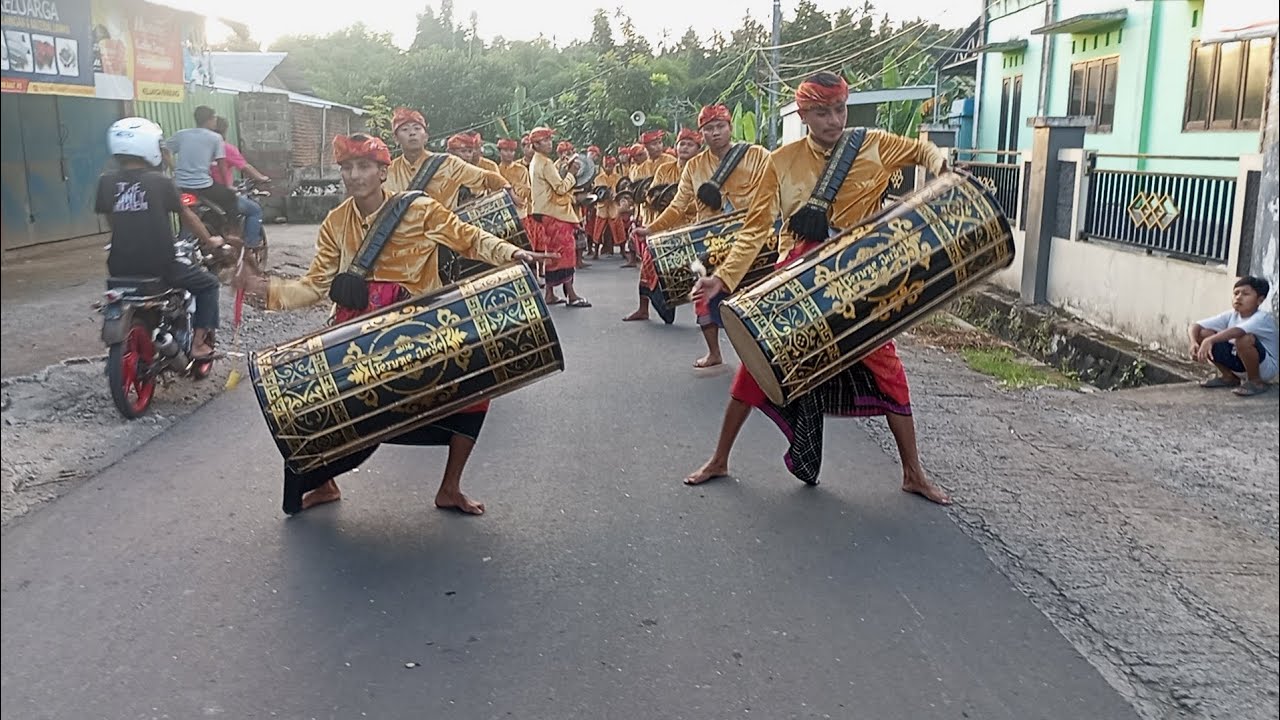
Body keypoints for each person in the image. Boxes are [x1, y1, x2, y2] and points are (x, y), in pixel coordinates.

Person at [232, 133, 554, 515]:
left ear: (384, 172)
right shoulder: (336, 222)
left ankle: (449, 488)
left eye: (364, 166)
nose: (354, 175)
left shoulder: (420, 210)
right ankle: (325, 483)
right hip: (356, 333)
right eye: (347, 168)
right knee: (326, 411)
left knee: (475, 393)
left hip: (419, 328)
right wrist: (264, 292)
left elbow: (469, 239)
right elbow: (314, 287)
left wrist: (513, 251)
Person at [683, 71, 952, 506]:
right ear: (804, 114)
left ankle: (913, 473)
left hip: (860, 273)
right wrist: (725, 278)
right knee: (758, 361)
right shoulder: (782, 160)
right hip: (798, 275)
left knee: (888, 367)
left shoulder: (875, 145)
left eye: (840, 109)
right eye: (822, 112)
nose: (834, 120)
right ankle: (719, 459)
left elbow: (924, 150)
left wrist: (943, 169)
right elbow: (755, 229)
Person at [633, 104, 772, 367]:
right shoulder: (695, 166)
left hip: (752, 241)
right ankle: (714, 352)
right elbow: (678, 205)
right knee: (702, 297)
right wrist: (651, 229)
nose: (716, 133)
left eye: (720, 127)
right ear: (703, 133)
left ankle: (760, 358)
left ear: (730, 128)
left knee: (756, 298)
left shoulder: (758, 156)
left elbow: (774, 194)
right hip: (709, 242)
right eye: (709, 129)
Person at [98, 117, 224, 359]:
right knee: (208, 284)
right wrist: (211, 241)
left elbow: (112, 219)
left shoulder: (106, 182)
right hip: (161, 264)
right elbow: (187, 216)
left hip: (119, 267)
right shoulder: (160, 182)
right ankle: (198, 344)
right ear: (148, 146)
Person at [622, 127, 702, 325]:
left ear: (698, 149)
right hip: (661, 226)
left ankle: (705, 316)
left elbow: (701, 202)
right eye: (681, 143)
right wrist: (658, 200)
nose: (684, 147)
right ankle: (643, 309)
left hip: (690, 229)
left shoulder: (702, 169)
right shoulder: (664, 169)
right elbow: (650, 194)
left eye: (689, 144)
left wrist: (680, 206)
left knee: (698, 272)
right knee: (647, 265)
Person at [384, 107, 509, 208]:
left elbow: (485, 177)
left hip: (445, 235)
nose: (412, 133)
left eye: (417, 128)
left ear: (426, 136)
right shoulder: (388, 172)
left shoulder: (448, 163)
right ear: (395, 139)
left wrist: (508, 189)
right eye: (405, 129)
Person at [529, 127, 591, 308]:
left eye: (550, 139)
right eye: (546, 140)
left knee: (553, 253)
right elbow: (561, 188)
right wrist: (571, 172)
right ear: (536, 144)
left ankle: (550, 293)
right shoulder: (545, 163)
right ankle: (571, 294)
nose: (550, 143)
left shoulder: (537, 161)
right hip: (555, 213)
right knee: (565, 253)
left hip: (546, 213)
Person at [1189, 276, 1278, 396]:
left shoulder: (1262, 318)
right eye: (1236, 293)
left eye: (1245, 294)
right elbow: (1195, 326)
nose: (1239, 297)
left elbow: (1238, 331)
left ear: (1260, 300)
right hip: (1239, 362)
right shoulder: (1232, 314)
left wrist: (1209, 340)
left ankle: (1255, 382)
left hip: (1264, 368)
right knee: (1202, 334)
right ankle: (1229, 377)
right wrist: (1194, 342)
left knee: (1244, 339)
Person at [164, 105, 239, 223]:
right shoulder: (216, 138)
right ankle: (233, 232)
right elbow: (221, 163)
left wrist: (174, 168)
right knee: (230, 198)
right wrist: (228, 186)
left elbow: (164, 150)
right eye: (214, 118)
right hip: (203, 185)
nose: (215, 121)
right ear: (209, 120)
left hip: (181, 185)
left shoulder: (182, 134)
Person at [210, 116, 269, 249]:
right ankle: (250, 244)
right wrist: (261, 178)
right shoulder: (226, 148)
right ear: (224, 131)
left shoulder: (200, 149)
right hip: (221, 194)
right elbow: (245, 167)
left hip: (200, 191)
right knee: (255, 210)